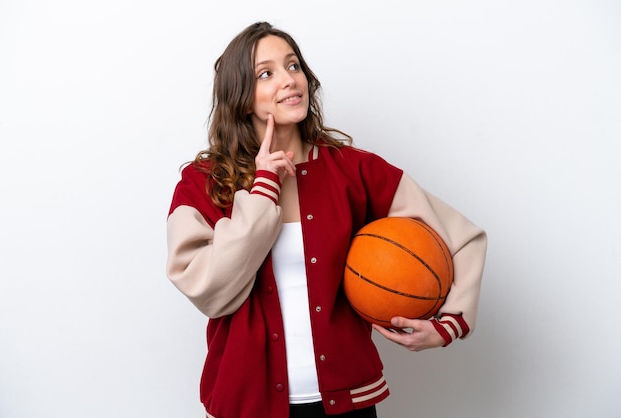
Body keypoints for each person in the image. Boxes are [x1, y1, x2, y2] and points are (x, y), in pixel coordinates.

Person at [166, 21, 487, 418]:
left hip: (348, 404)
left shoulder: (353, 171)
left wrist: (448, 325)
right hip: (248, 404)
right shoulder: (203, 183)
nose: (289, 80)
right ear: (242, 98)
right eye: (266, 73)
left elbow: (463, 237)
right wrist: (265, 185)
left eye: (294, 65)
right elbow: (208, 290)